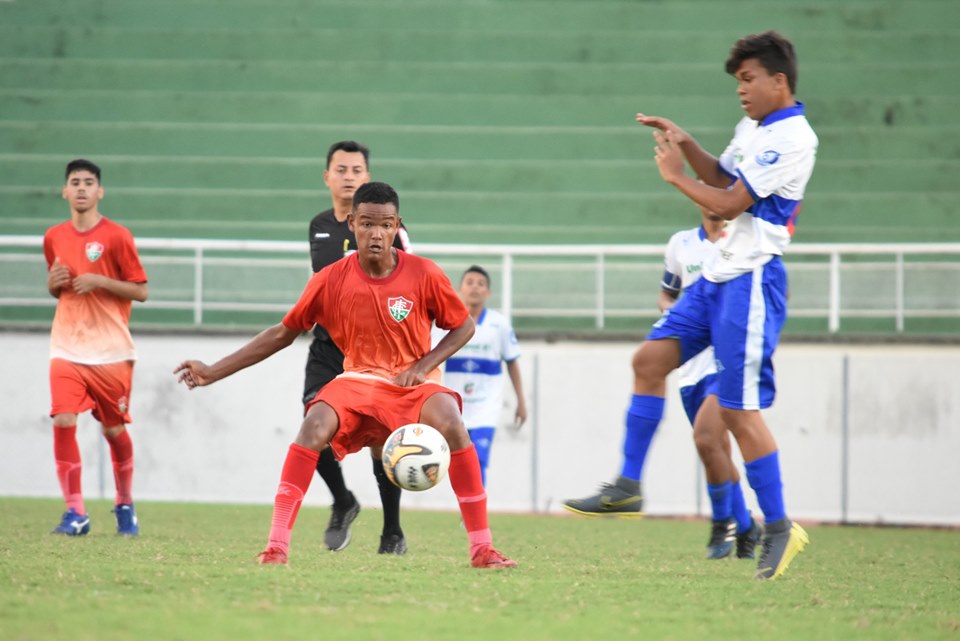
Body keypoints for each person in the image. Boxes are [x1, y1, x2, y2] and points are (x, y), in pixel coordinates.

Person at [564, 31, 817, 580]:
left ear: (780, 81)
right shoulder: (755, 126)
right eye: (737, 83)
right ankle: (628, 485)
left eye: (749, 80)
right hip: (721, 275)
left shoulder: (793, 136)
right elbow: (723, 176)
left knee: (735, 411)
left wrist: (675, 176)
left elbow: (728, 203)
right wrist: (687, 144)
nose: (741, 91)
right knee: (648, 362)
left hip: (751, 282)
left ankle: (777, 527)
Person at [174, 182, 516, 569]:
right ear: (352, 223)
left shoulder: (424, 273)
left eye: (385, 225)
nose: (376, 233)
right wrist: (212, 372)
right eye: (367, 223)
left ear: (397, 226)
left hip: (412, 384)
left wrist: (422, 366)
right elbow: (282, 333)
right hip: (357, 380)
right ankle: (276, 547)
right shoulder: (329, 279)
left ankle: (482, 549)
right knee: (312, 426)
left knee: (453, 424)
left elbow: (463, 327)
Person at [564, 205, 764, 561]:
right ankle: (746, 525)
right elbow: (667, 294)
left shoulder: (749, 242)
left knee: (707, 437)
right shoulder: (681, 244)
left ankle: (725, 523)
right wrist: (676, 315)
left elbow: (773, 290)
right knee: (711, 447)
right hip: (688, 363)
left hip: (726, 360)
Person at [304, 140, 412, 555]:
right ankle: (343, 500)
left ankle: (392, 530)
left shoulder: (392, 228)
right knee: (311, 427)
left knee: (379, 441)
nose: (348, 177)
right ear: (327, 177)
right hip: (329, 348)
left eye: (356, 171)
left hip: (377, 353)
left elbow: (410, 284)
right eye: (341, 170)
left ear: (367, 177)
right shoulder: (318, 225)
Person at [44, 158, 149, 537]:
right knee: (62, 419)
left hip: (111, 352)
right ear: (65, 190)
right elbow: (58, 287)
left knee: (113, 429)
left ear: (100, 191)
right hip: (67, 346)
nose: (82, 188)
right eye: (75, 182)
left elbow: (141, 290)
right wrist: (53, 284)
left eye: (89, 182)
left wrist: (100, 281)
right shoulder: (54, 236)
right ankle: (76, 512)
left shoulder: (118, 236)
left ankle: (125, 503)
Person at [437, 265, 527, 486]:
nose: (475, 288)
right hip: (455, 406)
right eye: (470, 283)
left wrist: (521, 401)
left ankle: (471, 519)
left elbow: (512, 361)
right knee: (458, 461)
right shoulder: (446, 323)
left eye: (480, 284)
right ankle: (467, 509)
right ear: (460, 289)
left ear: (488, 292)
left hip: (486, 406)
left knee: (478, 459)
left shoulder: (499, 325)